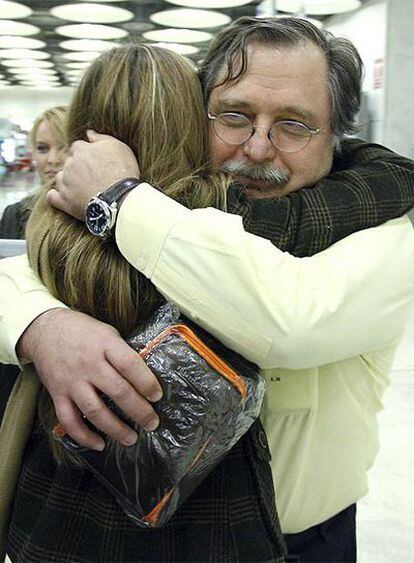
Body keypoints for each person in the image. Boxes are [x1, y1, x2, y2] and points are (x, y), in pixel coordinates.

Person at [1, 16, 414, 562]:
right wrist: (41, 326)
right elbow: (24, 254)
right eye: (235, 116)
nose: (259, 147)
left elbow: (287, 319)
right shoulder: (164, 206)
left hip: (303, 542)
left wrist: (121, 202)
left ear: (338, 135)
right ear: (200, 116)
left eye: (295, 124)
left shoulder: (383, 231)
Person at [0, 105, 67, 239]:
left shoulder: (100, 218)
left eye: (65, 147)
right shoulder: (14, 216)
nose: (53, 160)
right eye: (42, 148)